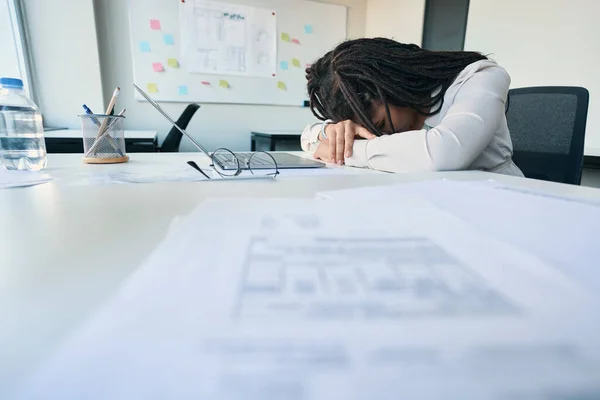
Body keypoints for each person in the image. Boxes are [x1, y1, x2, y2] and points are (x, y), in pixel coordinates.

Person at [301, 38, 524, 177]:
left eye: (379, 124)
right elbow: (306, 138)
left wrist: (344, 153)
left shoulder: (481, 76)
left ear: (393, 86)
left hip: (500, 200)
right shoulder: (373, 117)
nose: (379, 135)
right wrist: (327, 132)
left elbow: (444, 152)